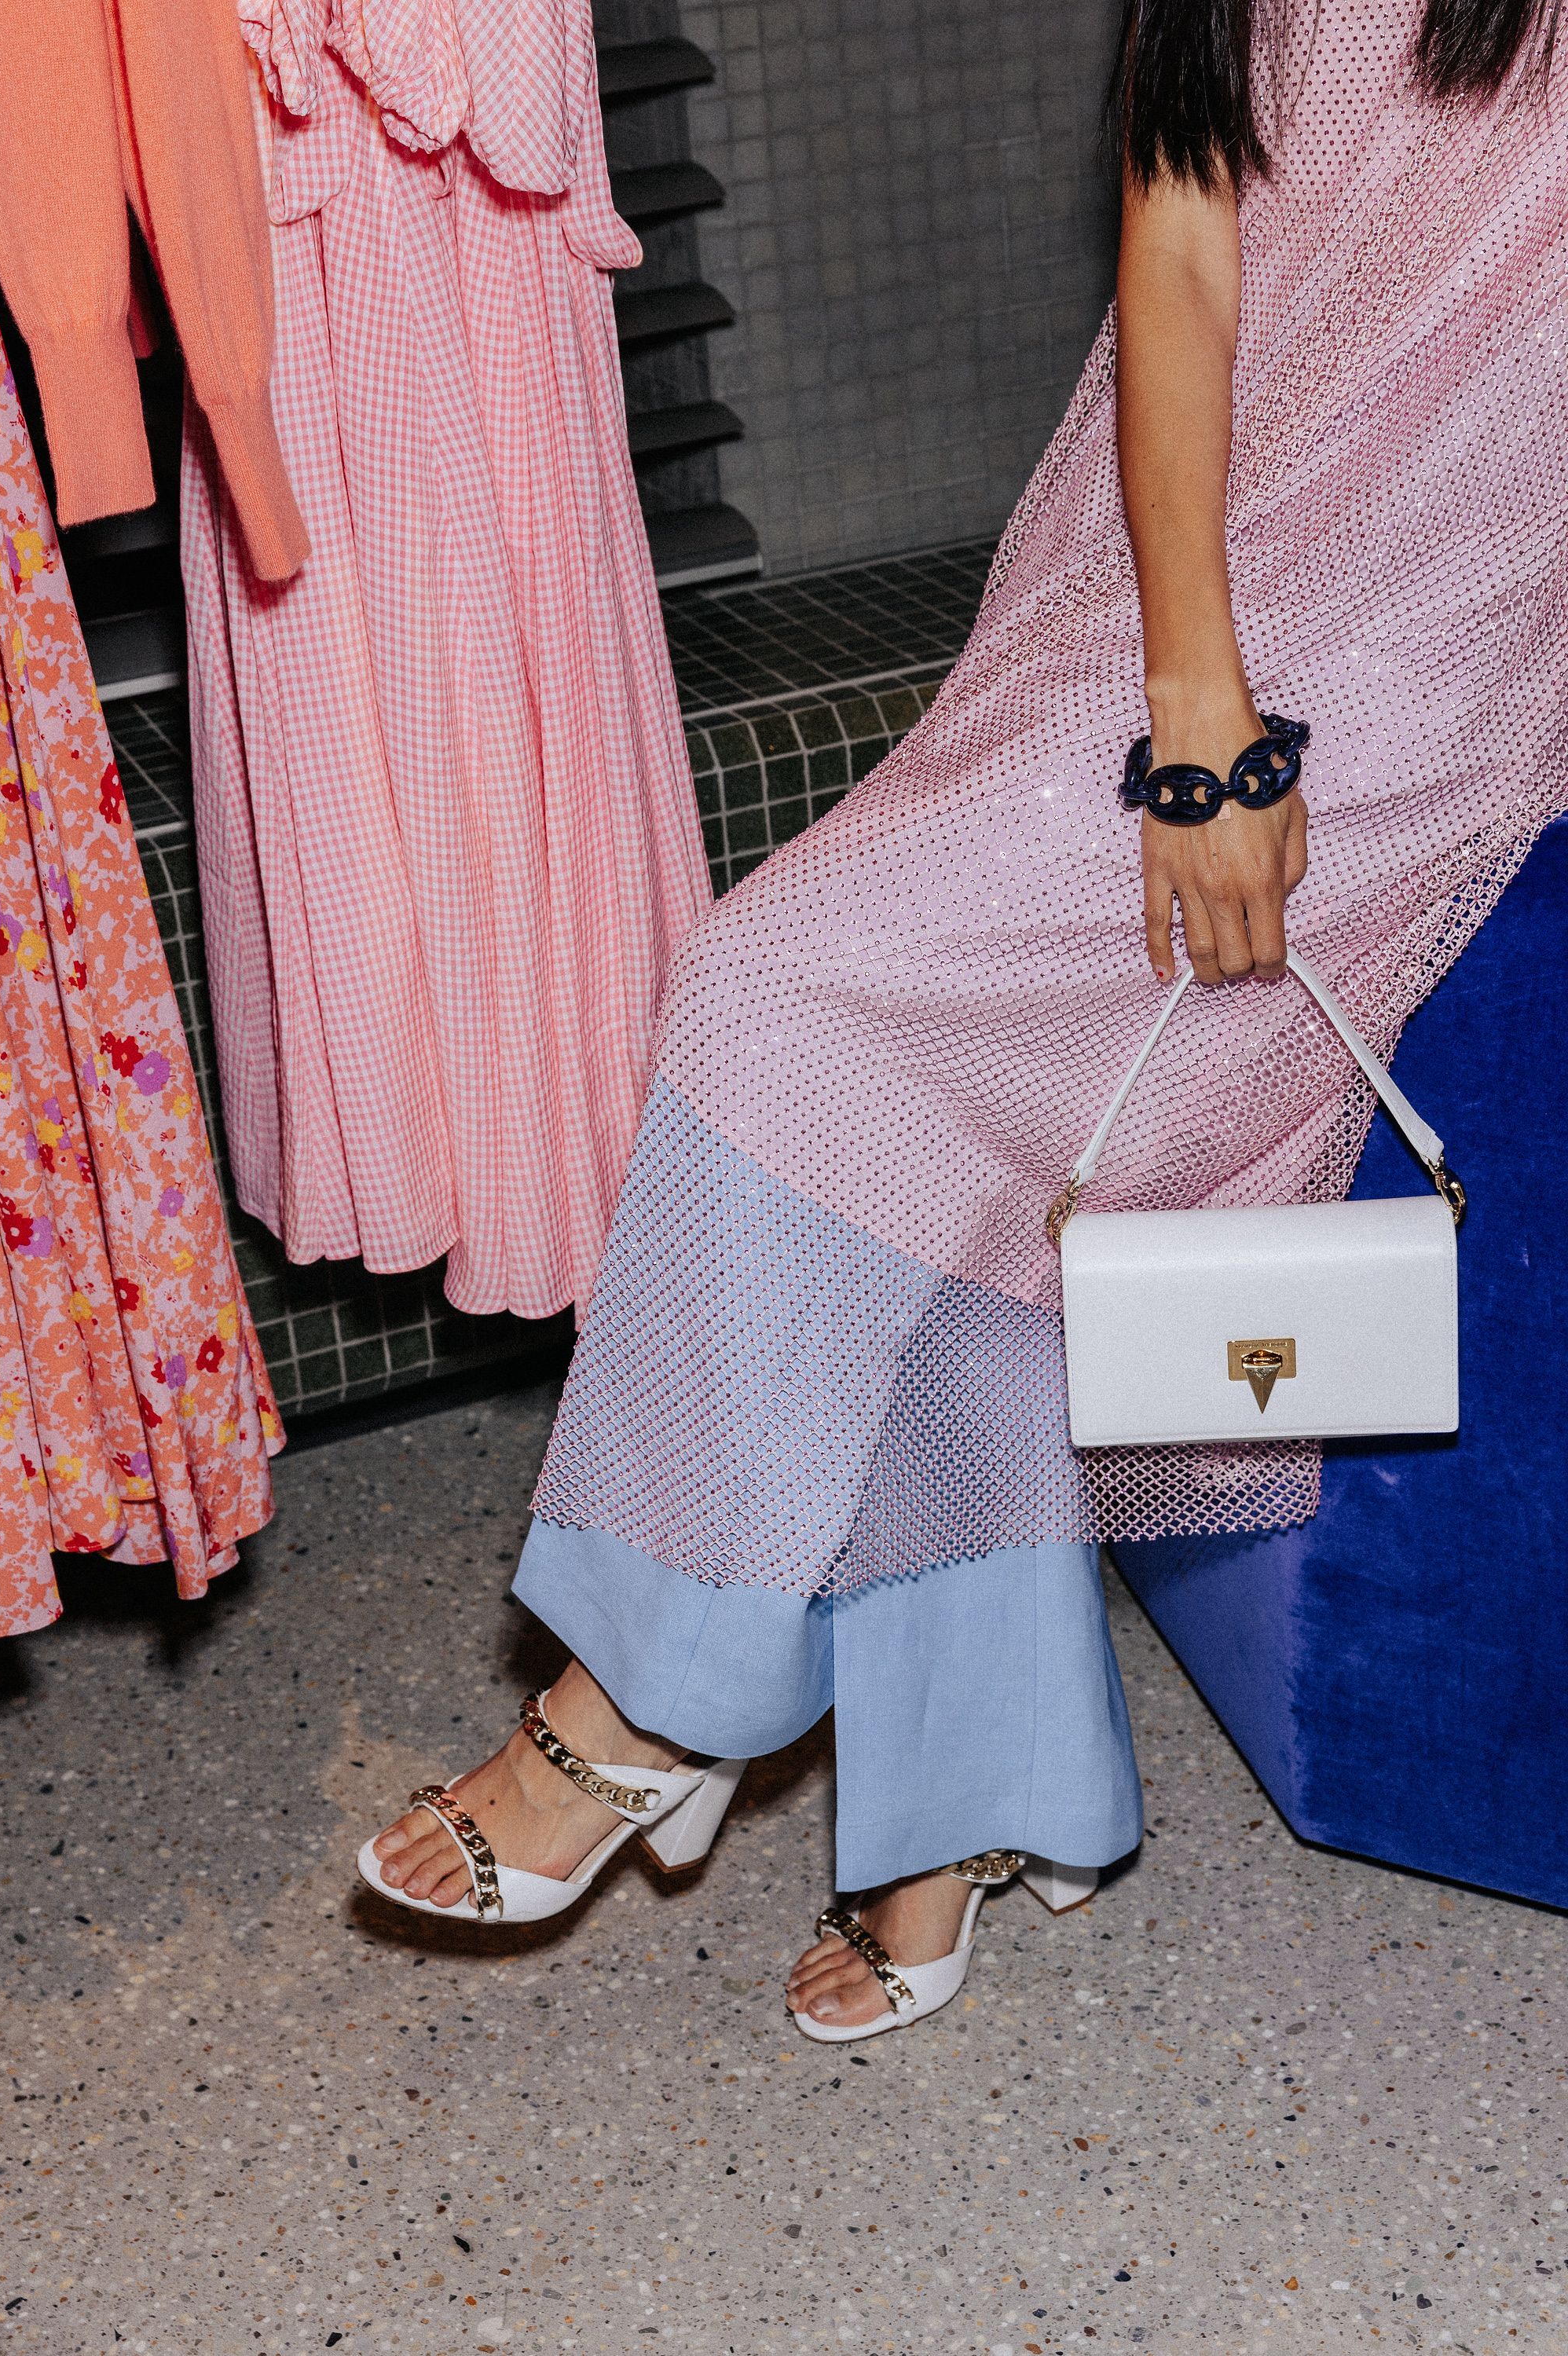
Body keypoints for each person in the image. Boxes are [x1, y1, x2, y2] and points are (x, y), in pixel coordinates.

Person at [359, 0, 1568, 2039]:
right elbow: (1182, 245)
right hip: (1177, 596)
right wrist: (1198, 700)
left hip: (1440, 632)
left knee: (793, 998)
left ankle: (649, 1704)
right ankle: (982, 1797)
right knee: (925, 1103)